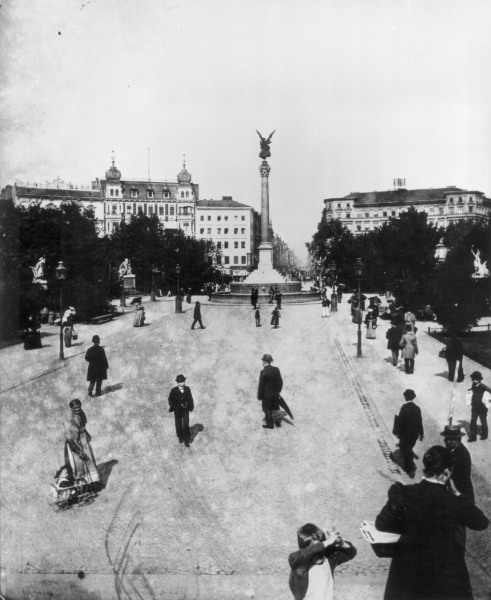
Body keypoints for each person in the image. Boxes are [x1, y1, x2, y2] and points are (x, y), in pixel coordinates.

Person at [375, 446, 488, 600]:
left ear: (425, 468)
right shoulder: (452, 501)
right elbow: (481, 523)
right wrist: (458, 494)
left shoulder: (405, 493)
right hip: (444, 575)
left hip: (408, 572)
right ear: (447, 472)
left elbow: (381, 524)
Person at [288, 523, 356, 600]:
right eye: (316, 547)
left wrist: (342, 543)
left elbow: (351, 553)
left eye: (321, 546)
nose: (319, 551)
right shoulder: (301, 567)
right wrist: (327, 542)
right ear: (305, 549)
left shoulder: (328, 561)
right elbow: (294, 557)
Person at [64, 399, 100, 484]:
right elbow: (71, 435)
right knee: (78, 461)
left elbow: (83, 425)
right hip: (73, 442)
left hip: (82, 438)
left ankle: (93, 481)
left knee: (88, 458)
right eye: (75, 408)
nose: (77, 409)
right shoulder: (70, 419)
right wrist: (78, 447)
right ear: (71, 408)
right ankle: (80, 482)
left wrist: (86, 432)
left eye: (78, 407)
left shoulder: (81, 413)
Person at [394, 389, 424, 477]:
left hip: (404, 434)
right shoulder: (417, 408)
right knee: (409, 447)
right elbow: (420, 422)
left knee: (404, 450)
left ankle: (410, 468)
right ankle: (410, 463)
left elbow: (400, 421)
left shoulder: (404, 408)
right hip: (414, 435)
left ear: (405, 398)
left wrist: (397, 433)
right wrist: (421, 434)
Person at [441, 425, 474, 503]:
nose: (445, 441)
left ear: (456, 440)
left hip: (460, 492)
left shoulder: (460, 455)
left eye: (447, 439)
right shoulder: (453, 449)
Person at [257, 354, 283, 429]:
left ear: (265, 362)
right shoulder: (276, 369)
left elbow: (261, 385)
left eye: (263, 361)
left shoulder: (263, 371)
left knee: (266, 409)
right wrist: (278, 391)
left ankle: (270, 424)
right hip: (275, 394)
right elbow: (280, 382)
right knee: (275, 407)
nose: (262, 362)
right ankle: (278, 422)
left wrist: (259, 396)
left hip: (266, 395)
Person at [168, 374, 194, 447]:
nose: (182, 383)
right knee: (178, 423)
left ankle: (186, 440)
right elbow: (170, 399)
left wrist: (191, 407)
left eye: (183, 381)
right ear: (178, 383)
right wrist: (174, 406)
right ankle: (180, 437)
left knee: (186, 423)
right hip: (177, 410)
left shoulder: (187, 389)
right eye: (181, 382)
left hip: (185, 410)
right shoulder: (174, 390)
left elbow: (190, 398)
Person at [468, 371, 490, 442]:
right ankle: (473, 437)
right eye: (474, 379)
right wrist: (470, 391)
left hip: (482, 408)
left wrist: (488, 401)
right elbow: (473, 390)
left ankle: (485, 435)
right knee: (473, 422)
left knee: (483, 421)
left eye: (476, 379)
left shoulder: (483, 386)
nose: (475, 380)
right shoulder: (473, 384)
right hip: (474, 407)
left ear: (480, 380)